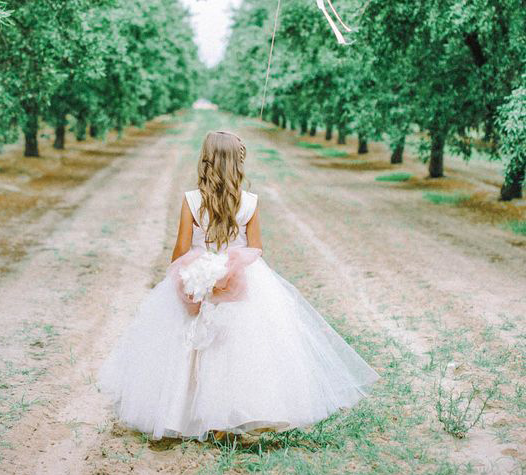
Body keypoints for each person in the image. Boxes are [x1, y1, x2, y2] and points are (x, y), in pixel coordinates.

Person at [97, 130, 379, 441]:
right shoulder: (250, 201)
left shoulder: (192, 200)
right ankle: (236, 413)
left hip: (198, 273)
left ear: (206, 160)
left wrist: (188, 272)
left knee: (192, 343)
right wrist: (230, 263)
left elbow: (180, 247)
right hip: (244, 278)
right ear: (237, 162)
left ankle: (190, 413)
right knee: (239, 345)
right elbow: (256, 247)